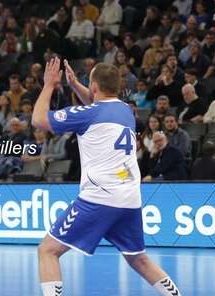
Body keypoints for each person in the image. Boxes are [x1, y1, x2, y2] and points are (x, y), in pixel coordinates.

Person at [32, 58, 182, 296]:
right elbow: (97, 105)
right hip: (130, 199)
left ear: (93, 87)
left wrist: (50, 85)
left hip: (99, 199)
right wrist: (75, 85)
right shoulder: (125, 110)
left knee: (48, 250)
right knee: (139, 260)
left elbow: (38, 120)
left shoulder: (89, 113)